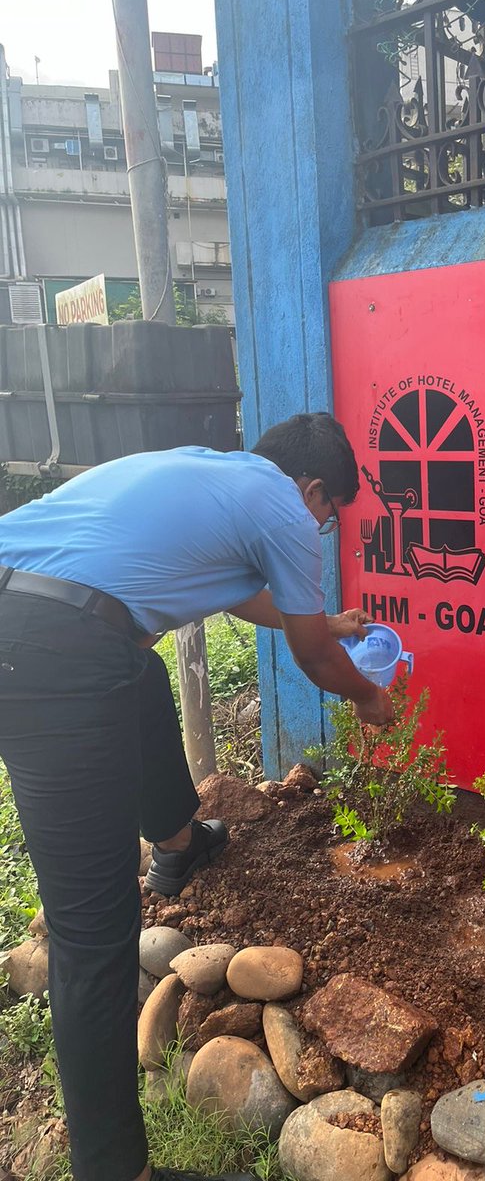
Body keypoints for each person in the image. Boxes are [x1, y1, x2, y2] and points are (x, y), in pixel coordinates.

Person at [0, 412, 394, 1181]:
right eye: (328, 516)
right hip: (53, 653)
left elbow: (251, 598)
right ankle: (116, 1171)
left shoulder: (211, 468)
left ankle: (179, 842)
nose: (319, 529)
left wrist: (330, 620)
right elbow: (315, 656)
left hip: (25, 609)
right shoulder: (284, 507)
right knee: (93, 936)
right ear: (312, 489)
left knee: (142, 674)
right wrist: (368, 697)